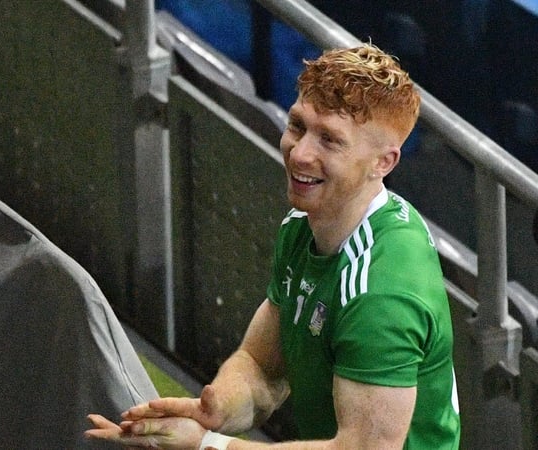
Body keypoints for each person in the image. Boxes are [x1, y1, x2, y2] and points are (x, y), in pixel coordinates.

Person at [85, 44, 461, 449]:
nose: (299, 154)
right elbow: (263, 369)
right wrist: (219, 408)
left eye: (330, 141)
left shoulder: (382, 293)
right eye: (298, 126)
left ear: (383, 163)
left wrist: (208, 444)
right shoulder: (305, 224)